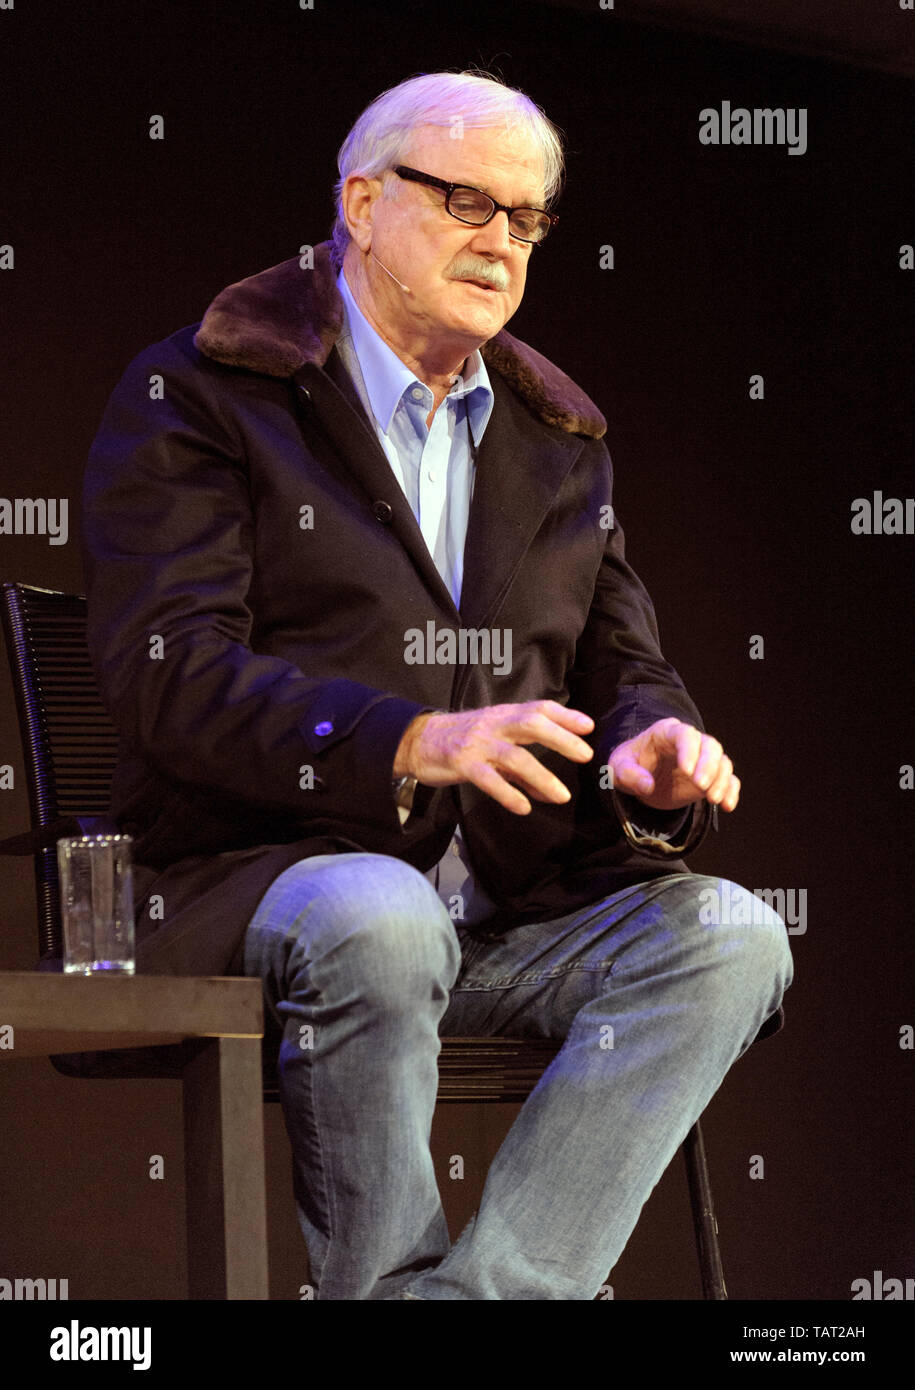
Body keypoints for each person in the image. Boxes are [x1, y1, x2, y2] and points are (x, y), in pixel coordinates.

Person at [82, 69, 793, 1300]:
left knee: (730, 933)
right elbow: (170, 673)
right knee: (379, 908)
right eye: (469, 200)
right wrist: (404, 738)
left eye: (528, 218)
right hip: (261, 890)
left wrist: (654, 749)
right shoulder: (206, 394)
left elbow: (623, 664)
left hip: (508, 923)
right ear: (360, 204)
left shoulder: (555, 439)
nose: (502, 240)